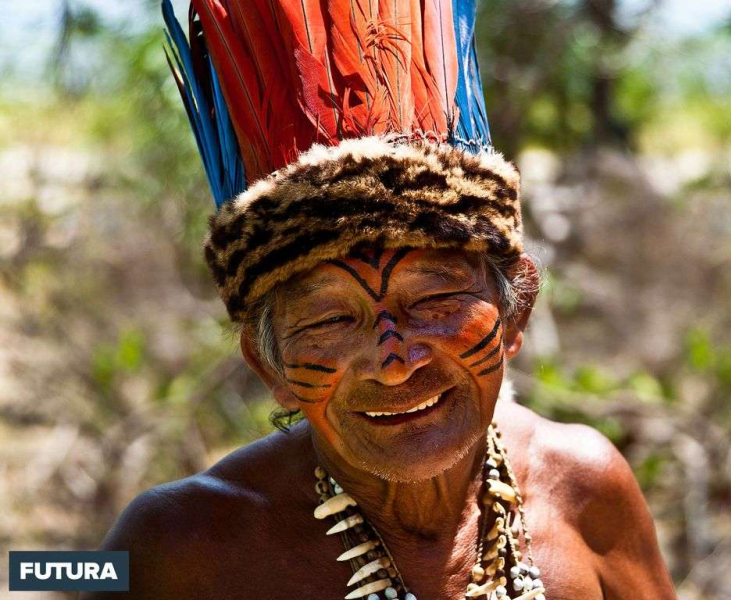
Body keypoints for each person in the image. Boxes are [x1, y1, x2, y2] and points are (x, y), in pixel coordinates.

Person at [87, 1, 677, 598]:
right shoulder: (173, 546)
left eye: (435, 300)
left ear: (515, 311)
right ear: (271, 366)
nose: (395, 361)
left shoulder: (583, 489)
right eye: (333, 318)